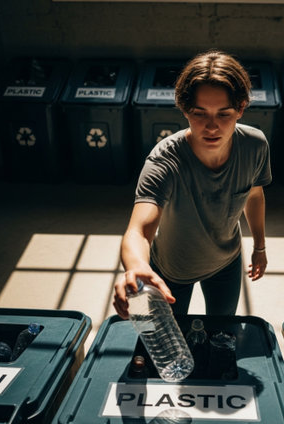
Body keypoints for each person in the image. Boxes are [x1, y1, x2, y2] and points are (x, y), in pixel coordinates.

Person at [113, 50, 272, 319]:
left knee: (222, 335)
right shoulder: (164, 160)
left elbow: (254, 196)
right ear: (184, 109)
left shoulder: (255, 145)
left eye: (224, 114)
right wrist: (136, 267)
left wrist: (259, 246)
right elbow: (139, 230)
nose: (211, 127)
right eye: (200, 114)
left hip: (226, 263)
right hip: (168, 271)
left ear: (241, 108)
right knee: (154, 337)